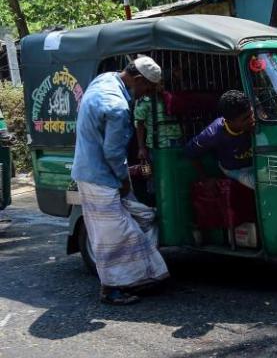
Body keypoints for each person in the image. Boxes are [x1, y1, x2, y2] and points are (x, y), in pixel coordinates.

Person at [72, 56, 169, 305]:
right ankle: (112, 288)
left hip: (90, 173)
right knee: (114, 236)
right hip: (100, 178)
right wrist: (124, 180)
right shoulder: (117, 107)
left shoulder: (104, 80)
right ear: (137, 79)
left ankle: (139, 278)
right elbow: (114, 153)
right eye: (146, 88)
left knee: (139, 219)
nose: (145, 94)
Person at [184, 90, 256, 189]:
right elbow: (190, 152)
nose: (252, 119)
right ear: (230, 121)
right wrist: (204, 179)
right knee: (266, 185)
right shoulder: (212, 134)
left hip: (259, 161)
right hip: (239, 170)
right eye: (246, 118)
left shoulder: (257, 117)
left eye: (252, 114)